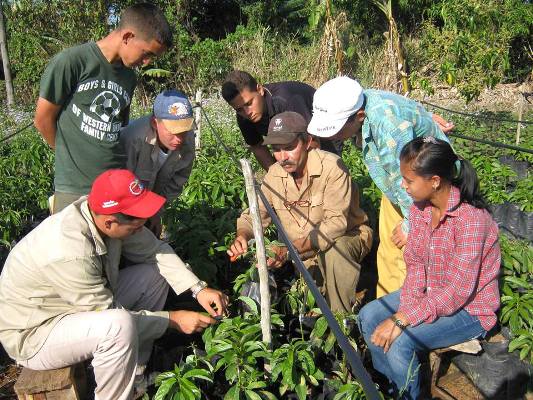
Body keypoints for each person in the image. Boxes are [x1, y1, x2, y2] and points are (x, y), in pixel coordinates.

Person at [0, 169, 228, 400]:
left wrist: (199, 289)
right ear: (110, 223)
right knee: (118, 327)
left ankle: (136, 374)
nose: (143, 226)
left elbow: (155, 251)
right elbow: (109, 314)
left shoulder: (105, 216)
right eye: (137, 225)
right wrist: (173, 320)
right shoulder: (70, 250)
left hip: (76, 305)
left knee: (154, 276)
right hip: (37, 332)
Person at [358, 137, 500, 399]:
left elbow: (457, 292)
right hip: (431, 292)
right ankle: (390, 384)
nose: (403, 186)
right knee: (368, 317)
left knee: (402, 342)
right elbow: (415, 267)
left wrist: (402, 319)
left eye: (409, 181)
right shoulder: (421, 210)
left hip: (469, 309)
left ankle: (410, 394)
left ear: (434, 181)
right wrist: (406, 310)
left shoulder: (471, 221)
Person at [308, 76, 452, 298]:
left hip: (425, 193)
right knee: (389, 248)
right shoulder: (362, 101)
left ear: (359, 116)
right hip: (396, 188)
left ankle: (411, 306)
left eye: (336, 130)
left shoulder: (389, 127)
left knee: (412, 251)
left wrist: (410, 225)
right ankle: (387, 301)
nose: (333, 136)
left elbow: (410, 183)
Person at [227, 112, 373, 313]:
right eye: (276, 150)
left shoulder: (332, 168)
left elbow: (335, 226)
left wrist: (288, 251)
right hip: (301, 250)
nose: (282, 157)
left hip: (349, 236)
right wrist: (242, 236)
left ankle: (340, 323)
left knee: (336, 252)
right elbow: (254, 215)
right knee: (279, 282)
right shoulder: (275, 174)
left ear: (307, 141)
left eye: (289, 148)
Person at [34, 3, 172, 213]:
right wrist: (69, 157)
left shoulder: (128, 77)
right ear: (127, 36)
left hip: (115, 187)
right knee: (74, 245)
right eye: (146, 53)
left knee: (113, 247)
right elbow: (43, 120)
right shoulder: (73, 62)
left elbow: (117, 129)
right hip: (75, 188)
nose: (146, 62)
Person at [221, 70, 342, 170]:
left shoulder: (285, 101)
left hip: (322, 130)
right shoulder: (243, 116)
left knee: (328, 171)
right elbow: (257, 147)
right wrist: (278, 177)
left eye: (249, 103)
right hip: (296, 138)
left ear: (260, 90)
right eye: (239, 109)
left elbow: (312, 141)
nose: (247, 112)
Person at [120, 90, 195, 236]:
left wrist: (156, 211)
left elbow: (177, 180)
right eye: (173, 131)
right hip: (125, 209)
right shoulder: (133, 139)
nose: (179, 138)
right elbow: (122, 184)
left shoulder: (187, 138)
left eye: (183, 130)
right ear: (155, 123)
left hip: (152, 203)